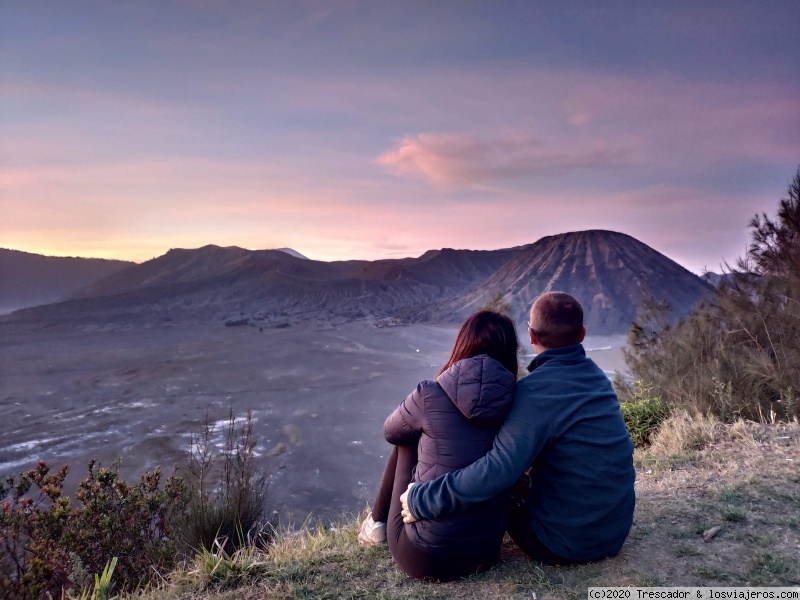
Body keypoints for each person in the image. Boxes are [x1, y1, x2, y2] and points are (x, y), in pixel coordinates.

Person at [400, 291, 636, 565]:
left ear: (532, 336)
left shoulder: (533, 393)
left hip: (562, 545)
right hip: (613, 534)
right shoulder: (599, 381)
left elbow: (496, 471)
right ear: (582, 333)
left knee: (498, 490)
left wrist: (423, 499)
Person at [358, 310, 519, 580]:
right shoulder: (520, 402)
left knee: (406, 438)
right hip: (486, 552)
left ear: (462, 344)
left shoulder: (429, 393)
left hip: (424, 557)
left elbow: (390, 431)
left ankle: (375, 524)